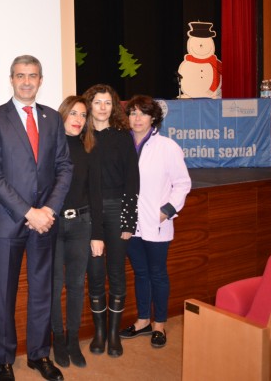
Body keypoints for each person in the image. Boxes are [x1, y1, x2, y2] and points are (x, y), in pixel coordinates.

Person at [0, 55, 72, 381]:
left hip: (45, 221)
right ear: (11, 79)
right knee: (4, 292)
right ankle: (3, 360)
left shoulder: (52, 119)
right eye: (21, 75)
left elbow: (64, 167)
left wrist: (48, 211)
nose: (27, 81)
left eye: (33, 75)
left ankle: (38, 355)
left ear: (41, 79)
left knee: (42, 290)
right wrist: (28, 211)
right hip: (9, 221)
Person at [121, 95, 190, 348]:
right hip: (130, 224)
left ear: (153, 118)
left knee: (158, 274)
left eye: (142, 113)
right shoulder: (122, 145)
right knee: (141, 273)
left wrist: (167, 209)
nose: (137, 118)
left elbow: (183, 183)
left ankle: (159, 323)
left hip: (157, 222)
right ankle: (142, 321)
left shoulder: (167, 147)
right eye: (132, 113)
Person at [82, 84, 140, 358]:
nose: (102, 108)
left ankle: (114, 334)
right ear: (89, 105)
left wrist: (129, 221)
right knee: (94, 275)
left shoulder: (123, 136)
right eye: (97, 103)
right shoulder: (81, 135)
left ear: (113, 106)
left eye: (107, 103)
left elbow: (132, 179)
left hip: (118, 211)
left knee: (116, 273)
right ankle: (100, 333)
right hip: (89, 213)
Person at [50, 96, 103, 369]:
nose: (78, 119)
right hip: (53, 226)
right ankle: (57, 339)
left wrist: (98, 234)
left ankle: (72, 340)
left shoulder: (89, 149)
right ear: (62, 116)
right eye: (73, 113)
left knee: (76, 285)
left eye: (83, 115)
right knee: (54, 285)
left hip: (82, 224)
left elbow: (95, 193)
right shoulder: (50, 148)